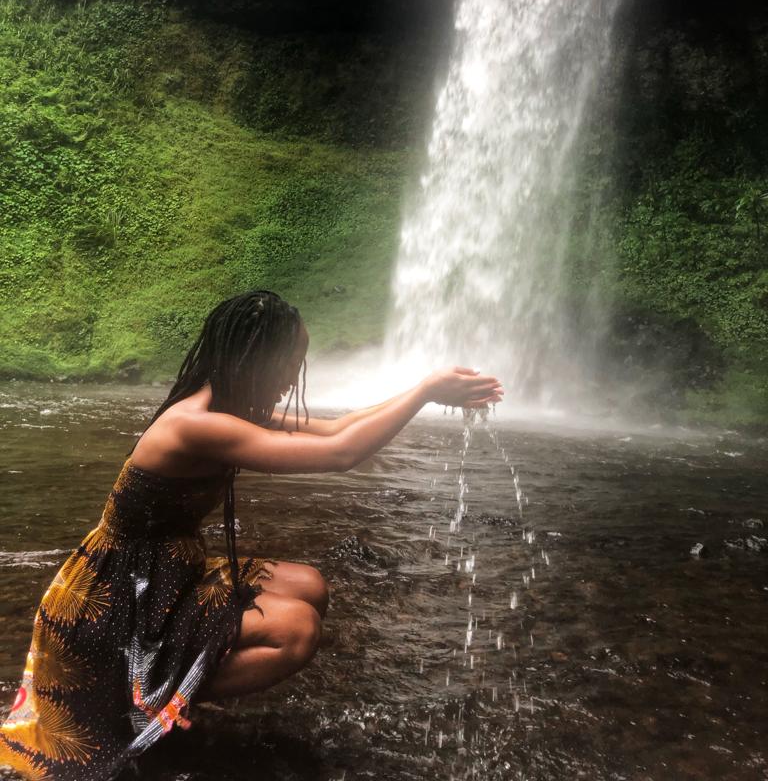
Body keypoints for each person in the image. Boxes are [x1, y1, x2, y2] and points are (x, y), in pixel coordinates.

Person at [0, 290, 503, 781]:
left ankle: (167, 683)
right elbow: (340, 456)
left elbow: (336, 429)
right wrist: (426, 392)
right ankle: (142, 698)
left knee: (308, 585)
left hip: (162, 577)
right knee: (297, 629)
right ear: (258, 358)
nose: (294, 376)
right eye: (291, 362)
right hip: (115, 603)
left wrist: (425, 388)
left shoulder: (228, 407)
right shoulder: (195, 425)